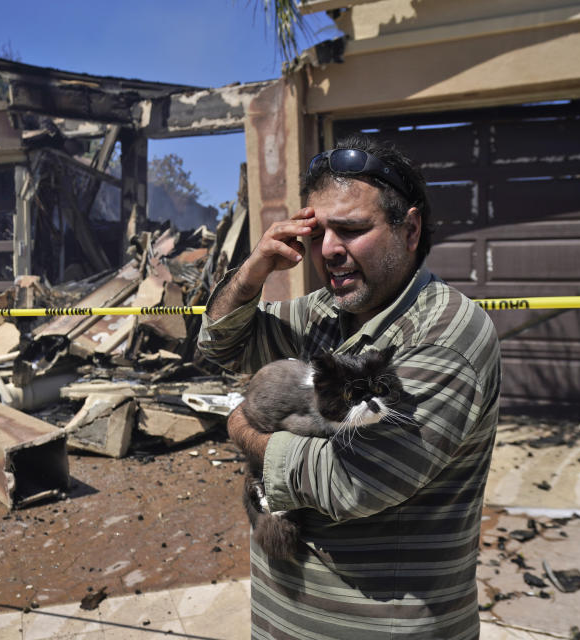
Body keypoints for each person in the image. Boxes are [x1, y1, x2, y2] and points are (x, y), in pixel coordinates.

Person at [198, 133, 501, 639]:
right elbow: (219, 345)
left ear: (410, 230)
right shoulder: (320, 314)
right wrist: (253, 273)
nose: (330, 250)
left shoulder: (444, 335)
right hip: (283, 622)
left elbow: (349, 482)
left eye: (352, 230)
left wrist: (241, 427)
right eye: (319, 234)